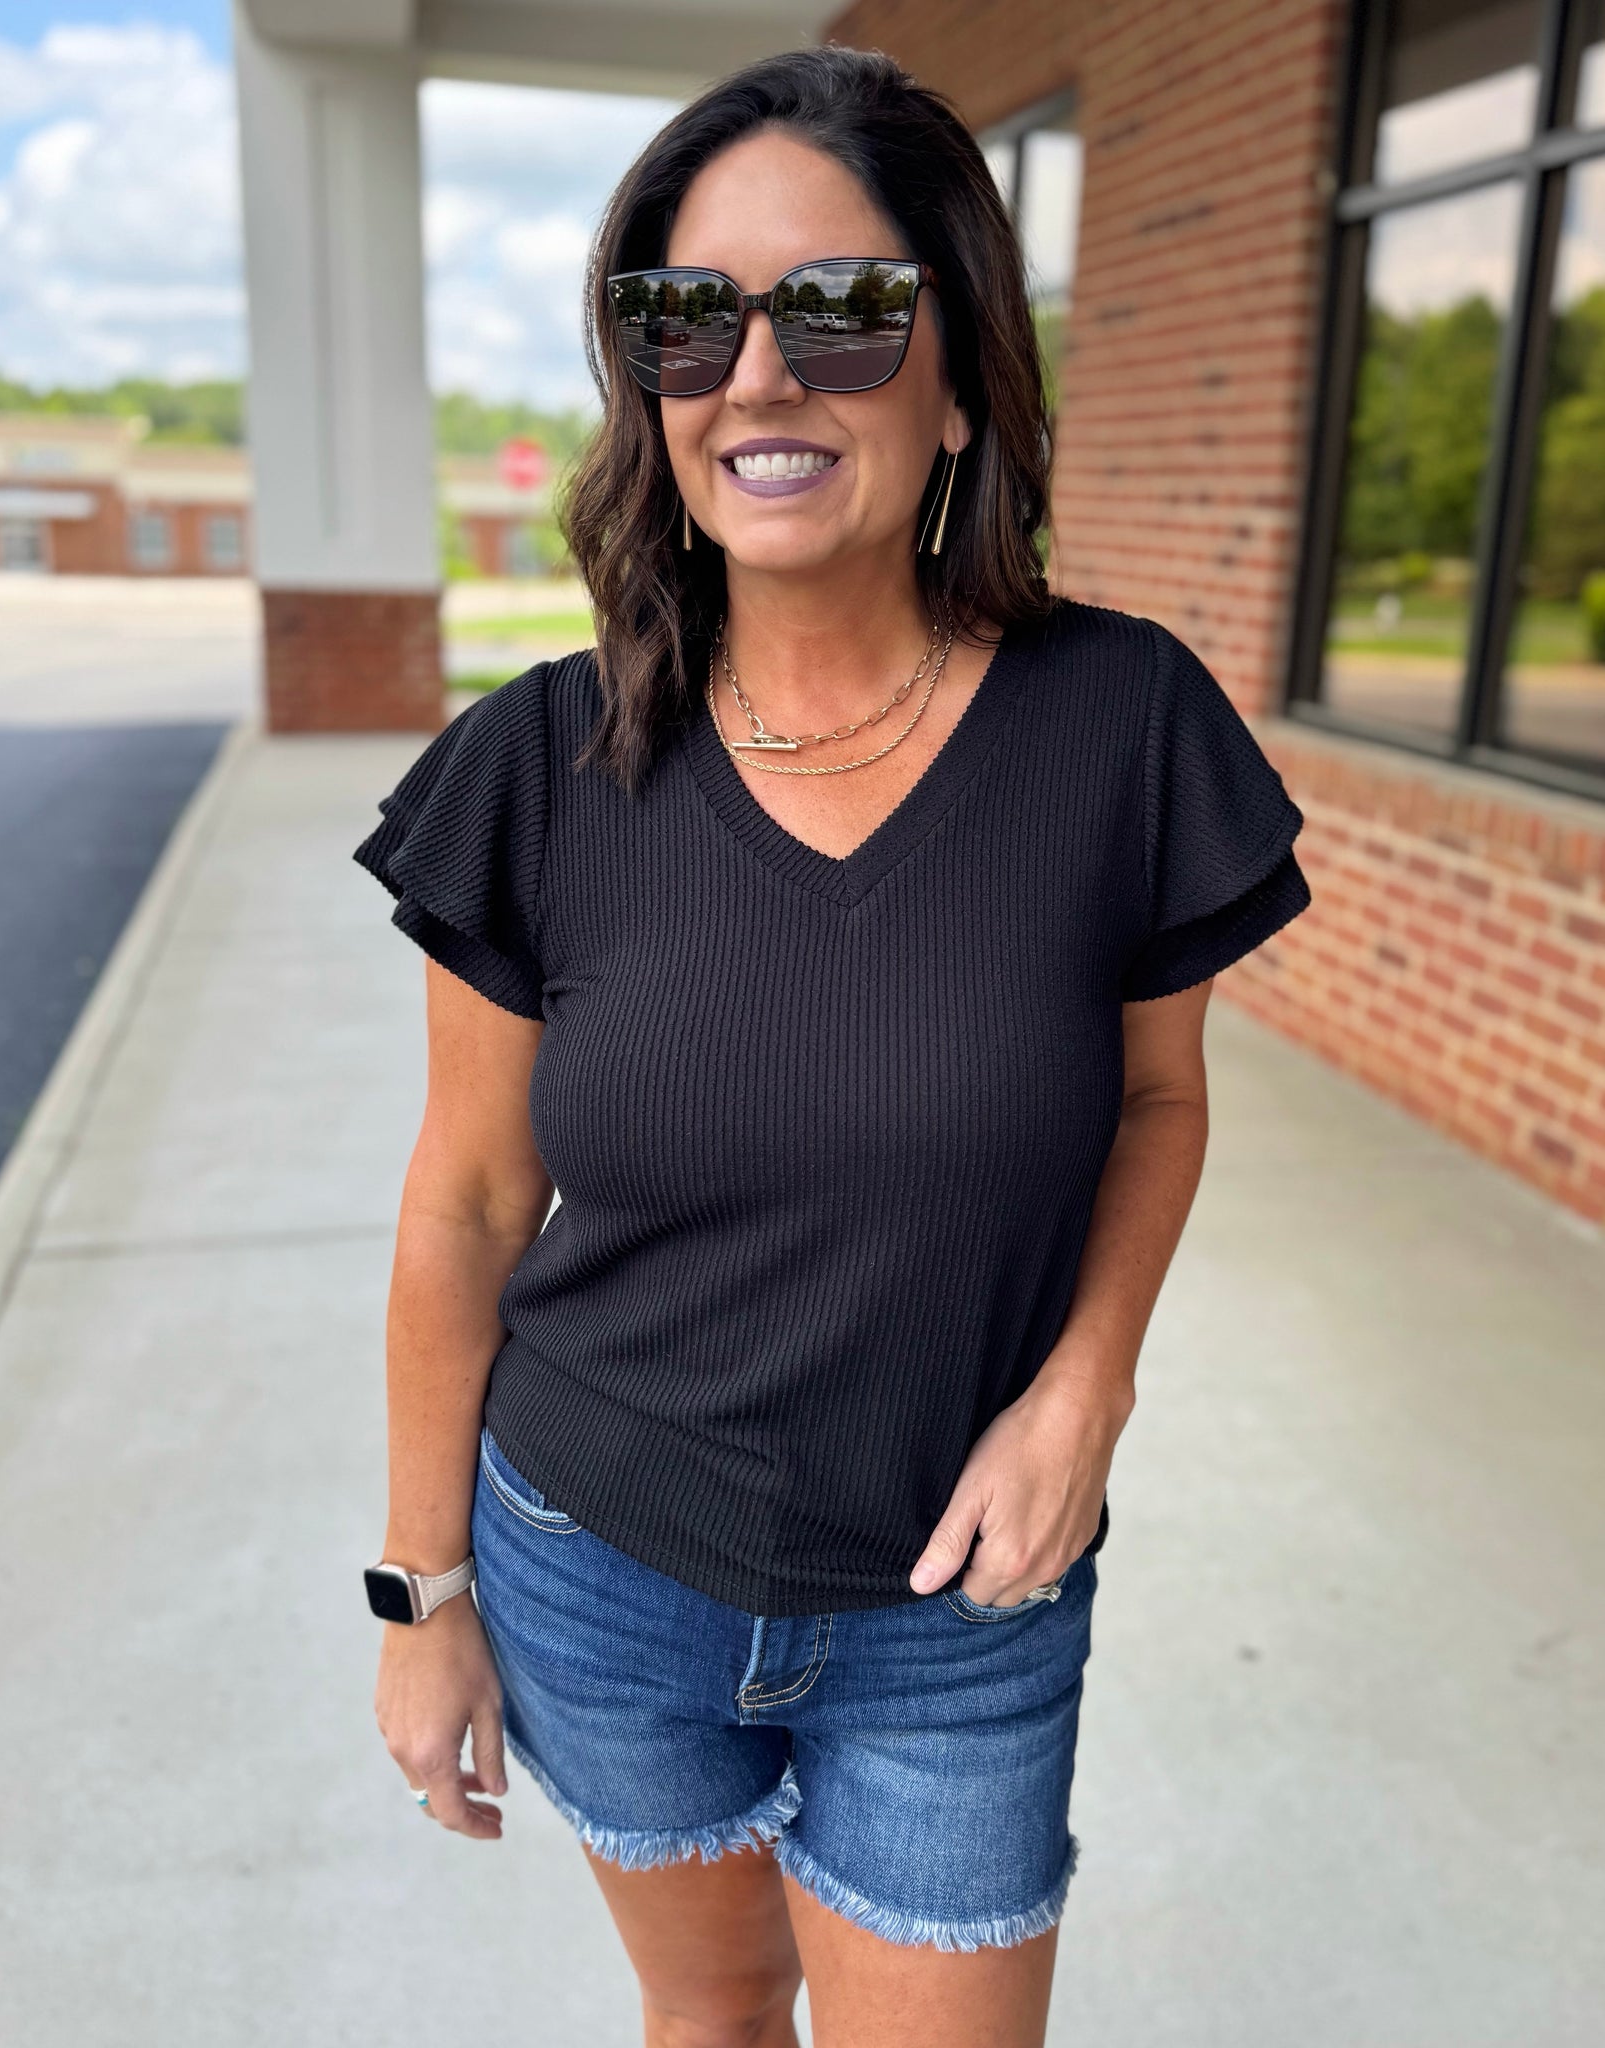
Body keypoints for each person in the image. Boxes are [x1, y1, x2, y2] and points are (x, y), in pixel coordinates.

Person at [353, 45, 1311, 2048]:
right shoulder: (540, 768)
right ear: (647, 386)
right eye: (688, 320)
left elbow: (1157, 1098)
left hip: (961, 1601)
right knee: (710, 2018)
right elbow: (467, 1203)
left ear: (960, 375)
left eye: (845, 310)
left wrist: (1087, 1392)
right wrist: (420, 1595)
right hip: (596, 1558)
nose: (761, 377)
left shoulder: (1121, 728)